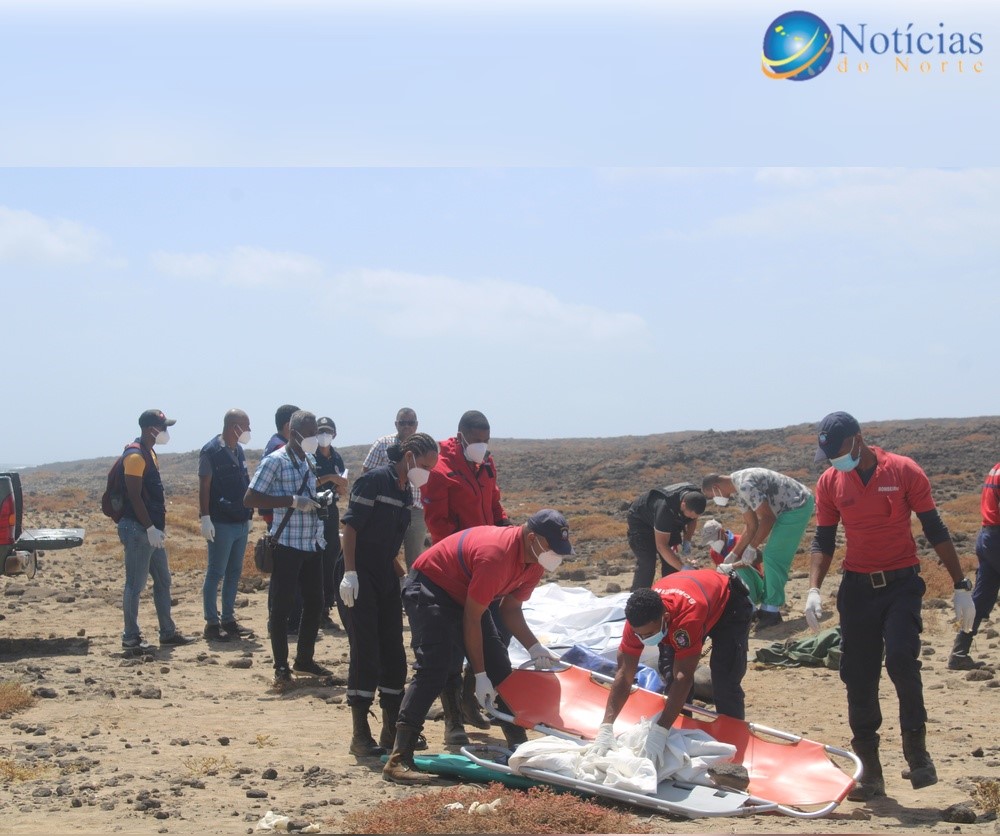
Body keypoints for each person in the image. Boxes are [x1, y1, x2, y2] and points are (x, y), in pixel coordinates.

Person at [805, 411, 975, 801]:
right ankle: (871, 772)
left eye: (838, 451)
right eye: (827, 454)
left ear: (858, 440)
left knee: (901, 659)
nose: (834, 460)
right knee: (857, 675)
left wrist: (960, 585)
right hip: (858, 588)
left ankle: (917, 754)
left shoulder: (902, 471)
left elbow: (934, 528)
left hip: (901, 584)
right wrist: (812, 589)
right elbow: (824, 539)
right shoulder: (830, 481)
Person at [382, 509, 573, 784]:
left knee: (500, 666)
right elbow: (471, 618)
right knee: (433, 667)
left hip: (466, 595)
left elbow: (511, 610)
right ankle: (399, 757)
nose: (556, 555)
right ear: (533, 538)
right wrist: (479, 676)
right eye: (553, 548)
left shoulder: (534, 561)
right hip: (431, 588)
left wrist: (534, 648)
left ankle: (519, 746)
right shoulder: (496, 556)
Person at [336, 432, 440, 758]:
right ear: (408, 456)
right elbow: (351, 528)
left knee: (393, 651)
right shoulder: (374, 482)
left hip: (383, 574)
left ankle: (390, 726)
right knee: (365, 650)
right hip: (359, 574)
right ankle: (360, 734)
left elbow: (388, 545)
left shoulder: (405, 491)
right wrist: (349, 573)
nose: (426, 472)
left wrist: (405, 578)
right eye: (424, 464)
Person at [593, 569, 752, 771]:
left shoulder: (687, 619)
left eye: (649, 634)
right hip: (687, 597)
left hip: (728, 606)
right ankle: (683, 740)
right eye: (639, 634)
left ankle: (732, 752)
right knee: (669, 676)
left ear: (665, 618)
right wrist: (606, 726)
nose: (644, 639)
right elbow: (624, 675)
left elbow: (683, 678)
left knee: (725, 681)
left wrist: (660, 731)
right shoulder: (637, 623)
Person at [422, 409, 512, 739]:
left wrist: (505, 532)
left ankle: (471, 696)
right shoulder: (441, 467)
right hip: (455, 565)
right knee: (450, 642)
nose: (482, 446)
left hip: (488, 561)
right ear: (460, 436)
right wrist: (462, 555)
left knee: (496, 633)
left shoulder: (485, 463)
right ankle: (452, 719)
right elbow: (437, 522)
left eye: (486, 441)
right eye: (476, 441)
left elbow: (495, 506)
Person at [244, 409, 330, 686]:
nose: (314, 437)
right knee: (281, 608)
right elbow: (250, 498)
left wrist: (317, 498)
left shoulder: (310, 460)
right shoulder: (275, 461)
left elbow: (306, 494)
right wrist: (291, 501)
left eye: (316, 432)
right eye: (310, 432)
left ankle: (304, 659)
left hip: (311, 542)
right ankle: (281, 667)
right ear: (293, 434)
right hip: (287, 544)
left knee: (315, 602)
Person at [702, 469, 814, 629]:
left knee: (773, 556)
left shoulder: (744, 484)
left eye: (711, 495)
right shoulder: (739, 492)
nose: (714, 499)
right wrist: (733, 554)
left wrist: (752, 548)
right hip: (786, 509)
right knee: (771, 555)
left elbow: (768, 517)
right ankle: (768, 607)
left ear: (715, 487)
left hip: (797, 505)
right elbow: (751, 526)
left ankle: (771, 610)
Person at [118, 409, 193, 650]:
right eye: (163, 427)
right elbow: (134, 496)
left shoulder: (149, 452)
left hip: (152, 531)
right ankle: (130, 637)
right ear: (152, 429)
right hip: (139, 529)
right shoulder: (135, 456)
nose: (166, 432)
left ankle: (167, 632)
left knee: (163, 580)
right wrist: (150, 527)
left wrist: (155, 528)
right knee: (135, 585)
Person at [198, 409, 255, 642]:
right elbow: (205, 486)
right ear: (234, 426)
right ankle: (212, 624)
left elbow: (244, 482)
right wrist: (205, 517)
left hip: (240, 520)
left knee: (234, 573)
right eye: (246, 426)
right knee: (216, 572)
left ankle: (229, 620)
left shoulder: (238, 451)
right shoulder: (211, 451)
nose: (249, 431)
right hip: (221, 522)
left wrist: (249, 513)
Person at [948, 461, 1000, 670]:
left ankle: (960, 653)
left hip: (987, 537)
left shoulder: (996, 468)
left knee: (982, 597)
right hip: (997, 536)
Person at [363, 408, 427, 572]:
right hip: (388, 509)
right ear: (396, 424)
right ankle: (392, 590)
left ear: (416, 424)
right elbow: (367, 473)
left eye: (410, 422)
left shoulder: (424, 447)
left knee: (416, 558)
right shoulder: (383, 443)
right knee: (386, 553)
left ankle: (412, 592)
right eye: (402, 422)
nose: (406, 426)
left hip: (416, 509)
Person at [261, 404, 300, 634]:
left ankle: (283, 619)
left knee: (284, 574)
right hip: (283, 521)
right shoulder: (279, 449)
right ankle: (281, 620)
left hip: (281, 519)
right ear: (289, 427)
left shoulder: (275, 444)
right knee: (284, 574)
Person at [627, 483, 706, 591]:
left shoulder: (695, 499)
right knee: (648, 563)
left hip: (670, 520)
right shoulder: (665, 508)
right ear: (683, 505)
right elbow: (661, 545)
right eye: (690, 515)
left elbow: (692, 519)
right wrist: (683, 568)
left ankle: (671, 593)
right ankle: (638, 596)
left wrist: (687, 539)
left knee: (672, 562)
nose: (692, 517)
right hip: (641, 521)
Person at [314, 416, 348, 631]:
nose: (324, 435)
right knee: (315, 559)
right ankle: (315, 609)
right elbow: (309, 482)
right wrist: (330, 477)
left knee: (331, 558)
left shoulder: (337, 457)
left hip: (331, 511)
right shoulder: (310, 456)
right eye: (320, 431)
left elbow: (342, 487)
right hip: (314, 511)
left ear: (334, 434)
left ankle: (326, 607)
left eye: (328, 431)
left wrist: (340, 484)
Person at [699, 519, 764, 606]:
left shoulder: (741, 540)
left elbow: (760, 557)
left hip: (756, 584)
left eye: (713, 540)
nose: (713, 544)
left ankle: (751, 604)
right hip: (736, 586)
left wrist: (734, 565)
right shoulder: (714, 552)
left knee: (738, 571)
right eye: (709, 542)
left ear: (721, 532)